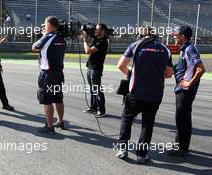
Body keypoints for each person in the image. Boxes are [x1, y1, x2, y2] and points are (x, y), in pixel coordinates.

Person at [116, 26, 173, 164]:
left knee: (127, 119)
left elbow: (120, 65)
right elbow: (169, 74)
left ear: (141, 35)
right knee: (147, 124)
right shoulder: (165, 49)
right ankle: (142, 155)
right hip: (155, 93)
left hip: (135, 92)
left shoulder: (135, 45)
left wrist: (131, 74)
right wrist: (156, 75)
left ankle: (122, 149)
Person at [168, 26, 205, 156]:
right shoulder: (186, 49)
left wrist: (189, 82)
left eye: (176, 35)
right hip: (182, 88)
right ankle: (180, 145)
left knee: (182, 118)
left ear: (182, 36)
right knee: (181, 118)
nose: (174, 37)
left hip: (185, 90)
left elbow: (201, 69)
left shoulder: (190, 49)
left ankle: (182, 148)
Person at [32, 16, 66, 134]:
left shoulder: (47, 37)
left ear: (50, 25)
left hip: (47, 74)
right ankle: (60, 121)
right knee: (58, 98)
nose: (44, 26)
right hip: (58, 73)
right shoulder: (62, 38)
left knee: (47, 100)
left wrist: (43, 35)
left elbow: (34, 48)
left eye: (45, 24)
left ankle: (49, 126)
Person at [82, 24, 108, 118]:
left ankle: (101, 110)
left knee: (97, 89)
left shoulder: (102, 41)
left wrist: (85, 40)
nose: (94, 31)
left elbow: (88, 51)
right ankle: (93, 107)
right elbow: (89, 33)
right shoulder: (97, 39)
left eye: (97, 29)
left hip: (96, 68)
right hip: (90, 67)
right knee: (93, 89)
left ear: (103, 31)